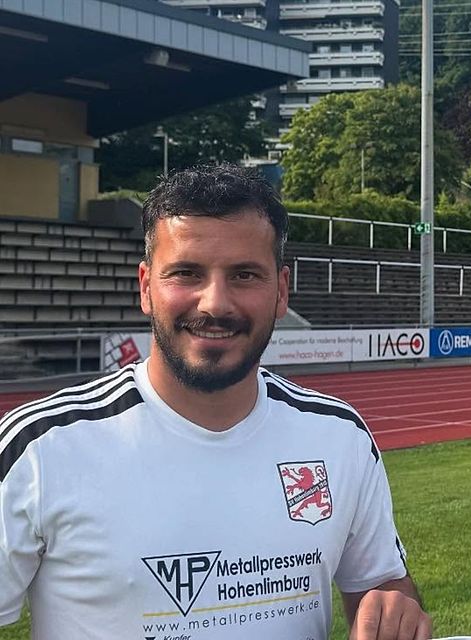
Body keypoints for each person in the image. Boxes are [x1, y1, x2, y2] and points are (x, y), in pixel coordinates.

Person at [0, 165, 431, 640]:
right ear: (146, 287)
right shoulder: (40, 450)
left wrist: (394, 610)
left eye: (245, 275)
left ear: (281, 291)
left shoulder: (338, 436)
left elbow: (383, 588)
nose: (214, 303)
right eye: (186, 273)